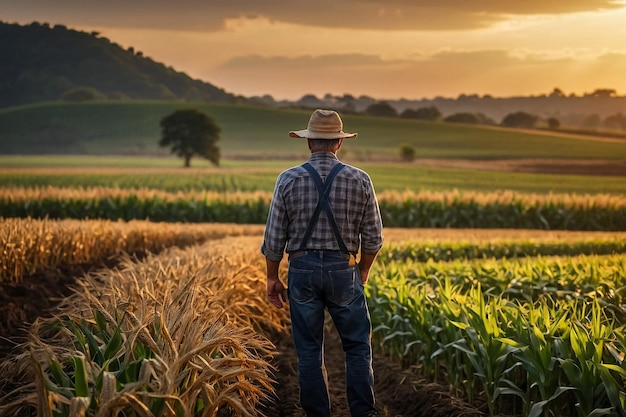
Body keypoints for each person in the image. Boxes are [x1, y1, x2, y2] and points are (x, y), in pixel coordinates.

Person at [261, 109, 384, 417]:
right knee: (357, 348)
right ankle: (364, 413)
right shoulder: (361, 179)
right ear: (339, 143)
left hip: (302, 271)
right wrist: (363, 271)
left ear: (308, 143)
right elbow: (373, 238)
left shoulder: (287, 179)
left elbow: (274, 238)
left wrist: (272, 278)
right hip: (344, 270)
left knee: (309, 351)